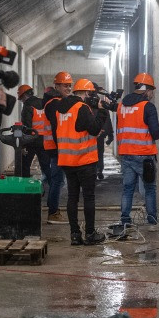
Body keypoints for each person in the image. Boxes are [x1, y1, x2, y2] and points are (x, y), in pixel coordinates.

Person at [53, 79, 115, 245]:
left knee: (72, 197)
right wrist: (102, 112)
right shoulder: (81, 108)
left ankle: (74, 234)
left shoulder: (60, 110)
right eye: (91, 94)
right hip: (84, 160)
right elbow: (94, 129)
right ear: (86, 93)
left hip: (66, 160)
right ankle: (90, 233)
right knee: (89, 197)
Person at [116, 73, 159, 227]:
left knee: (127, 188)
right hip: (144, 155)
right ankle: (152, 220)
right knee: (150, 188)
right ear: (146, 90)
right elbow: (156, 133)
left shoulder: (121, 105)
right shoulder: (147, 107)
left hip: (127, 154)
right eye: (151, 91)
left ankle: (125, 220)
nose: (152, 94)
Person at [42, 73, 73, 224]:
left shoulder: (55, 101)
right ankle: (53, 212)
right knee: (57, 180)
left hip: (56, 147)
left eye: (69, 86)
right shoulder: (54, 103)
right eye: (65, 85)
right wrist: (62, 147)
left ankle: (53, 211)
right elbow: (56, 128)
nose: (68, 88)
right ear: (57, 86)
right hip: (56, 148)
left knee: (57, 180)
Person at [17, 84, 50, 179]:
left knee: (25, 165)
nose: (22, 101)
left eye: (21, 98)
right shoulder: (43, 103)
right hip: (44, 140)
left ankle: (25, 186)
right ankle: (50, 186)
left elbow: (26, 128)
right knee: (46, 166)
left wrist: (23, 146)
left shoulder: (27, 107)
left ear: (24, 96)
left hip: (32, 141)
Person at [95, 111, 113, 180]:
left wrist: (110, 135)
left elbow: (108, 121)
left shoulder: (87, 106)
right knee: (99, 154)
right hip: (99, 135)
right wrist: (110, 135)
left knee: (96, 153)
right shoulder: (103, 108)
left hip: (93, 135)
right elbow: (108, 121)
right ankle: (98, 170)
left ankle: (97, 170)